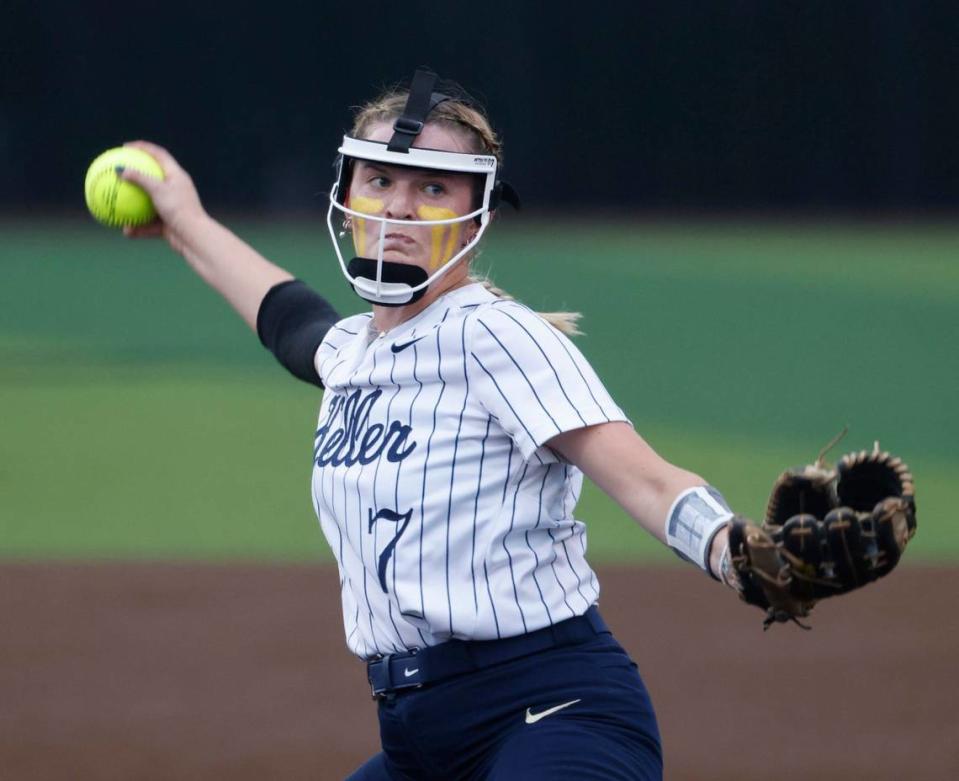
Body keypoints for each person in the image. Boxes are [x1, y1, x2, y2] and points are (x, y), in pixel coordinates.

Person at [119, 69, 743, 781]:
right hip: (419, 742)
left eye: (432, 187)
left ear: (477, 213)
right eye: (379, 181)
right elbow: (286, 318)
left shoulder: (496, 335)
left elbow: (645, 478)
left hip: (549, 711)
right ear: (347, 197)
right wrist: (183, 220)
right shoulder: (353, 352)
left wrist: (735, 551)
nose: (401, 208)